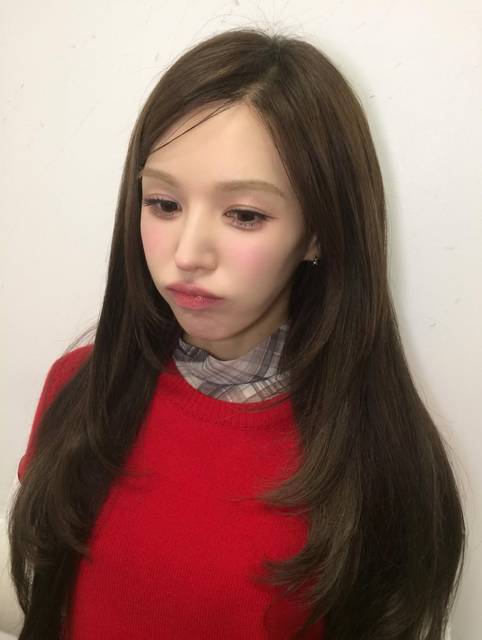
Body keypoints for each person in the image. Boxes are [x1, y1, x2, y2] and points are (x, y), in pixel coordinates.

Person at [7, 27, 465, 640]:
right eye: (164, 204)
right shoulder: (80, 388)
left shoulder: (380, 455)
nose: (187, 254)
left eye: (244, 215)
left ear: (318, 232)